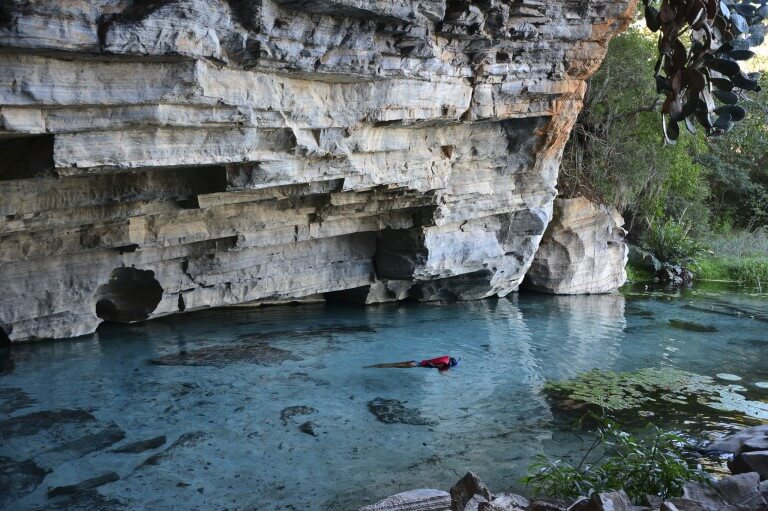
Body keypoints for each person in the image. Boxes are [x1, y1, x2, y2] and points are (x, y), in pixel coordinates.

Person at [364, 355, 460, 370]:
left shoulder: (444, 361)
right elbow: (437, 366)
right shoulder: (443, 364)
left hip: (415, 362)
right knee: (392, 365)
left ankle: (371, 366)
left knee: (393, 364)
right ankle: (371, 367)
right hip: (414, 364)